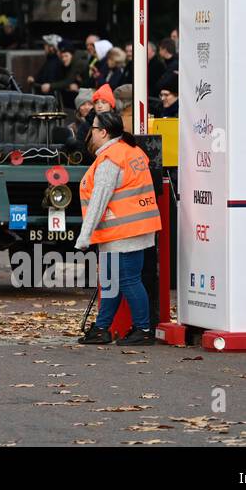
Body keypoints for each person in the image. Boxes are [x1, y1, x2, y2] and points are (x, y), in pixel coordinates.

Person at [75, 111, 161, 346]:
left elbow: (98, 201)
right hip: (135, 226)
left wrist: (84, 236)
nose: (89, 132)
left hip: (122, 231)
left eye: (92, 128)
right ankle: (102, 328)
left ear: (102, 132)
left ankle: (143, 329)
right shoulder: (131, 151)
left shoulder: (110, 160)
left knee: (128, 280)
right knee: (112, 280)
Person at [53, 44, 87, 108]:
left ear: (72, 55)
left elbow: (68, 80)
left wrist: (51, 86)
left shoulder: (78, 63)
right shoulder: (68, 64)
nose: (64, 59)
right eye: (62, 57)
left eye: (66, 56)